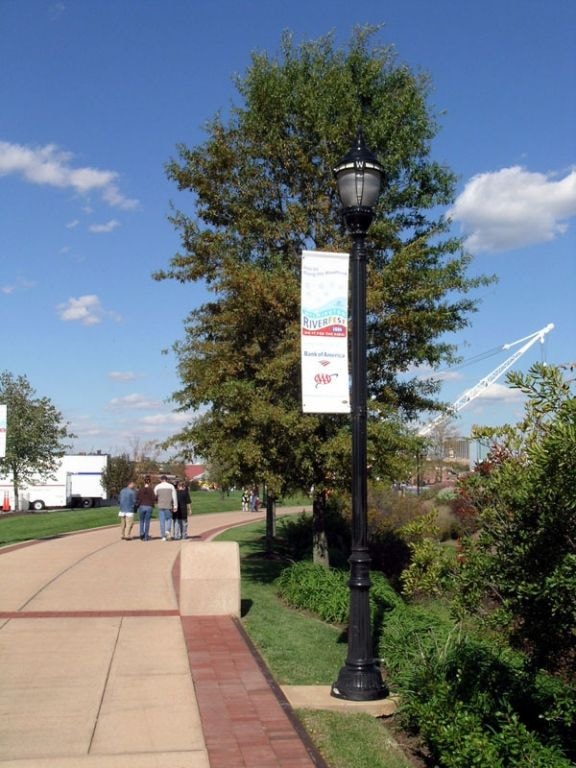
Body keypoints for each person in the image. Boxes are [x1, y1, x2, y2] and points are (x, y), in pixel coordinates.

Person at [154, 475, 177, 541]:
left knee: (162, 521)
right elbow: (174, 497)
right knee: (169, 519)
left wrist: (156, 502)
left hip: (160, 505)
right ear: (167, 479)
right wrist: (175, 506)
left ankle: (163, 536)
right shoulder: (171, 486)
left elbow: (154, 496)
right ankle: (167, 531)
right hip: (168, 505)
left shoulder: (157, 486)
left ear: (161, 480)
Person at [136, 476, 155, 541]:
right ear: (150, 482)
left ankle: (141, 533)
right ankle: (146, 536)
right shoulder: (151, 490)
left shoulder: (141, 489)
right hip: (149, 506)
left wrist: (138, 505)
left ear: (144, 482)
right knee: (147, 522)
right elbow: (153, 498)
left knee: (141, 521)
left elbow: (137, 497)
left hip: (141, 506)